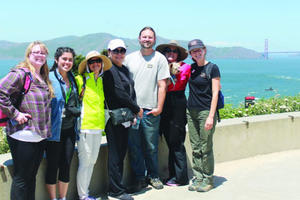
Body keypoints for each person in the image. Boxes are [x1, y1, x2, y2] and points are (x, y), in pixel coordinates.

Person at [0, 41, 53, 200]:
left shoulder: (42, 76)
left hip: (38, 134)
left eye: (43, 53)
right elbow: (1, 93)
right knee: (22, 179)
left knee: (31, 177)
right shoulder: (21, 73)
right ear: (28, 55)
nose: (40, 55)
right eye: (35, 52)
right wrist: (15, 114)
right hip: (22, 134)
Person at [124, 27, 170, 191]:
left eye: (150, 37)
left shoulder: (160, 59)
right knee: (134, 147)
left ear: (155, 39)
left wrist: (159, 108)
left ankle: (154, 176)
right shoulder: (129, 59)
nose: (147, 39)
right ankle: (139, 178)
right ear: (139, 39)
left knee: (151, 146)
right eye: (144, 37)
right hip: (133, 111)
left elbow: (162, 85)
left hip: (151, 111)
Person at [103, 39, 143, 200]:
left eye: (122, 51)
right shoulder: (109, 70)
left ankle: (117, 186)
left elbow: (130, 91)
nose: (119, 54)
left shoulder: (124, 70)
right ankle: (115, 190)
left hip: (125, 117)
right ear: (109, 53)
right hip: (114, 119)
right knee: (115, 154)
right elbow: (120, 93)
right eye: (116, 51)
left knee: (120, 153)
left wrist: (132, 113)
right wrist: (137, 109)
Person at [75, 50, 112, 200]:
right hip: (84, 126)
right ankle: (83, 196)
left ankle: (86, 193)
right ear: (87, 65)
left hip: (98, 127)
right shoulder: (80, 80)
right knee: (85, 162)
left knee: (92, 162)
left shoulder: (102, 81)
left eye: (98, 61)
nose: (95, 64)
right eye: (92, 62)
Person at [45, 47, 80, 200]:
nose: (67, 62)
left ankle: (63, 197)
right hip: (54, 131)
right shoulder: (48, 78)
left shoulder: (72, 79)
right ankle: (53, 198)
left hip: (70, 130)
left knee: (66, 164)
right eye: (64, 59)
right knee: (53, 166)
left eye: (70, 59)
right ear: (56, 60)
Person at [186, 39, 221, 192]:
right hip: (191, 111)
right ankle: (198, 177)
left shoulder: (212, 68)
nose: (197, 53)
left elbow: (215, 93)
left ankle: (208, 179)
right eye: (194, 51)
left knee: (205, 146)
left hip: (205, 112)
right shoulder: (191, 68)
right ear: (190, 54)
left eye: (199, 50)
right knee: (195, 146)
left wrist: (211, 116)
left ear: (204, 50)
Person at [156, 40, 190, 186]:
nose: (171, 53)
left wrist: (168, 74)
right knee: (170, 141)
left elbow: (175, 83)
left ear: (178, 54)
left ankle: (181, 177)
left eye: (174, 51)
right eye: (168, 50)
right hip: (164, 104)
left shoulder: (185, 67)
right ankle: (172, 175)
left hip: (177, 103)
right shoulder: (162, 66)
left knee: (176, 141)